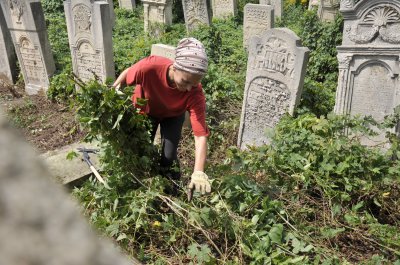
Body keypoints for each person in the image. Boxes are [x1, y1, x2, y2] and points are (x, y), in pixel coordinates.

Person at [112, 37, 211, 196]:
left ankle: (171, 187)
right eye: (185, 81)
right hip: (146, 111)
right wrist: (115, 90)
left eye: (193, 84)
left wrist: (198, 172)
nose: (188, 89)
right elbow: (127, 74)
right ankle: (140, 183)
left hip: (173, 115)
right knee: (141, 149)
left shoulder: (195, 93)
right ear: (175, 67)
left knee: (168, 156)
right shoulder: (149, 67)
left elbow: (200, 136)